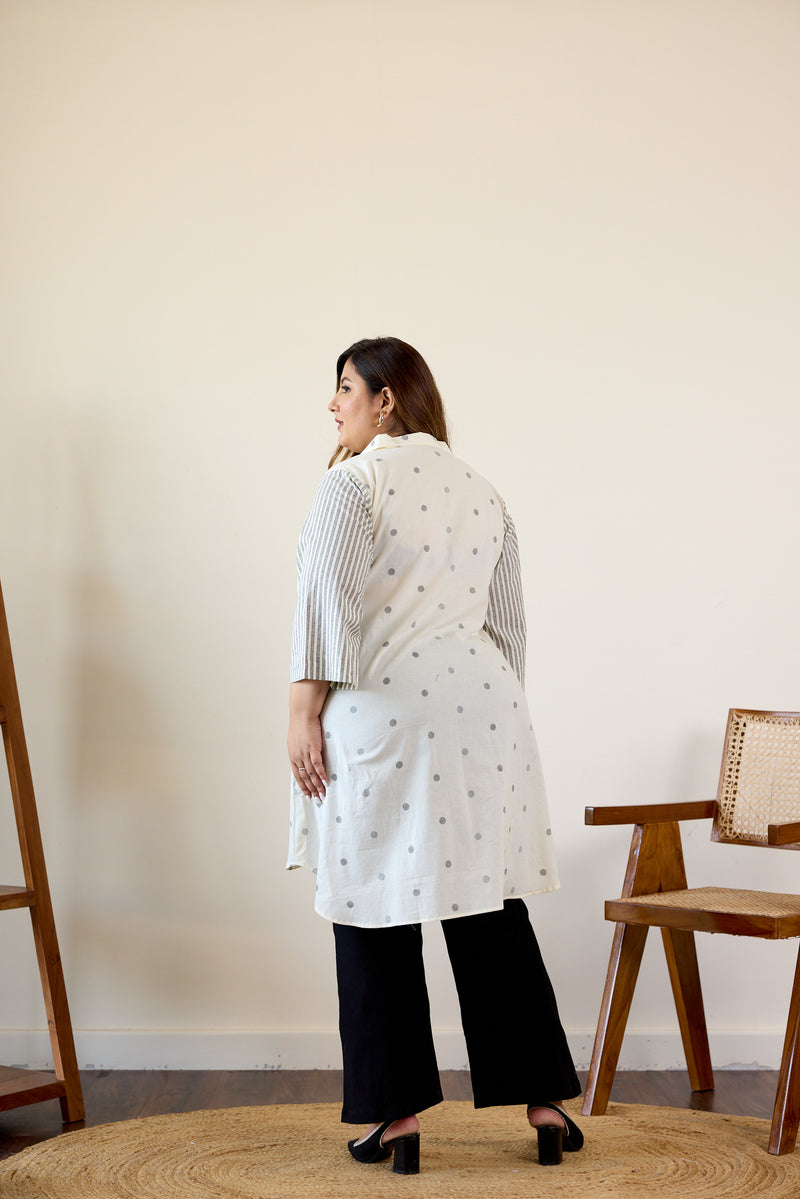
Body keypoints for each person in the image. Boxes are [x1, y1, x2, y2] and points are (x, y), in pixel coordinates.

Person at [286, 337, 582, 1175]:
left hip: (385, 711)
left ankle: (398, 1113)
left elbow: (324, 601)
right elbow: (509, 628)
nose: (334, 405)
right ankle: (545, 1100)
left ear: (386, 400)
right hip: (488, 711)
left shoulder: (354, 481)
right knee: (485, 898)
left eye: (344, 388)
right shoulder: (485, 494)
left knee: (371, 904)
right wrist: (484, 715)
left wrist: (303, 712)